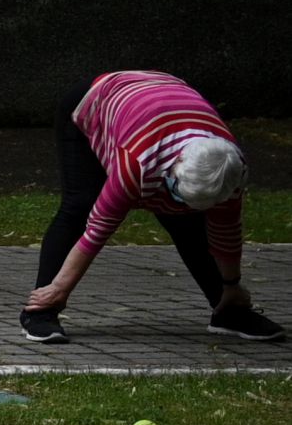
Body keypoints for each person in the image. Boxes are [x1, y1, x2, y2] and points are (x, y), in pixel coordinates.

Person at [25, 72, 279, 343]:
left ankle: (228, 309)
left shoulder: (230, 168)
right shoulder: (138, 163)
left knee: (187, 222)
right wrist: (61, 288)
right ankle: (41, 309)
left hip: (160, 102)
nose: (179, 203)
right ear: (177, 165)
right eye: (178, 193)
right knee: (81, 205)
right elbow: (98, 229)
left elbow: (226, 230)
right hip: (95, 101)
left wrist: (232, 285)